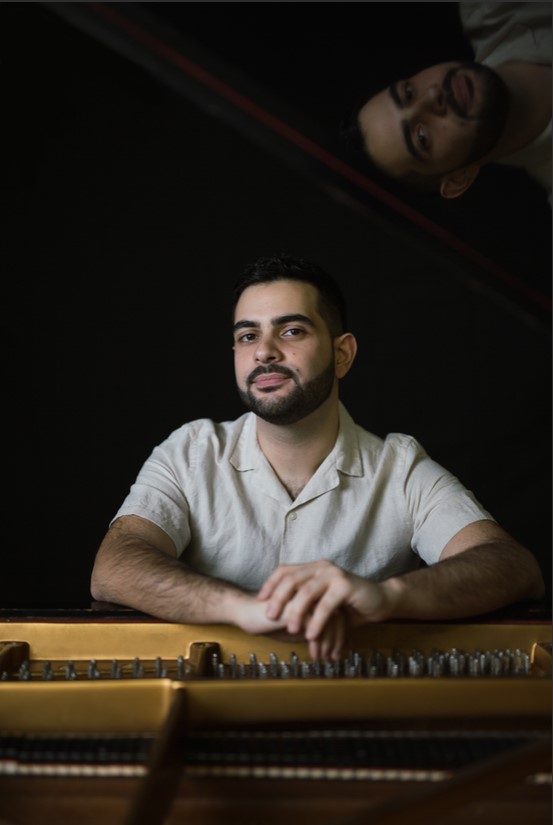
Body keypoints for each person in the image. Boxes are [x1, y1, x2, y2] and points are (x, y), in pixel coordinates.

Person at [90, 254, 545, 660]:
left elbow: (510, 565)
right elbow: (115, 566)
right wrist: (244, 608)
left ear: (342, 353)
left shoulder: (400, 466)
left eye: (291, 330)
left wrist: (385, 597)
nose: (265, 351)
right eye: (248, 335)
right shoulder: (189, 451)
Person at [344, 2, 551, 202]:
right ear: (458, 179)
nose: (433, 96)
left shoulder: (492, 9)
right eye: (422, 137)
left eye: (408, 93)